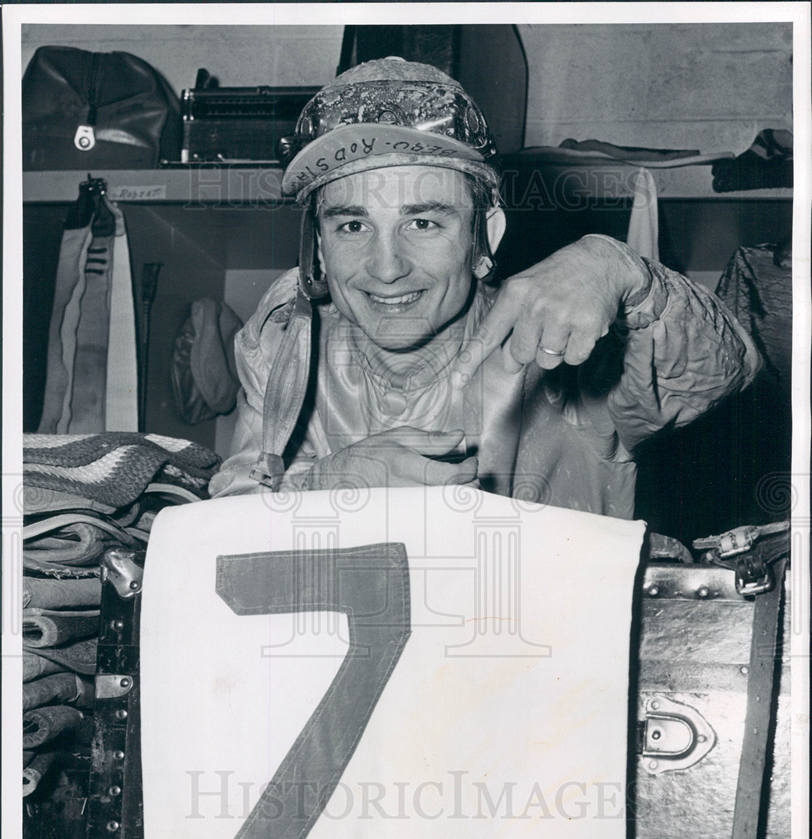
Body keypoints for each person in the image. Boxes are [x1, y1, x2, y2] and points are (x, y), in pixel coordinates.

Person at [209, 57, 761, 517]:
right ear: (320, 248)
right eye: (353, 226)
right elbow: (227, 521)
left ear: (485, 236)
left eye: (423, 222)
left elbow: (723, 377)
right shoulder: (288, 344)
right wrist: (318, 489)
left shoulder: (561, 345)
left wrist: (629, 276)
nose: (386, 267)